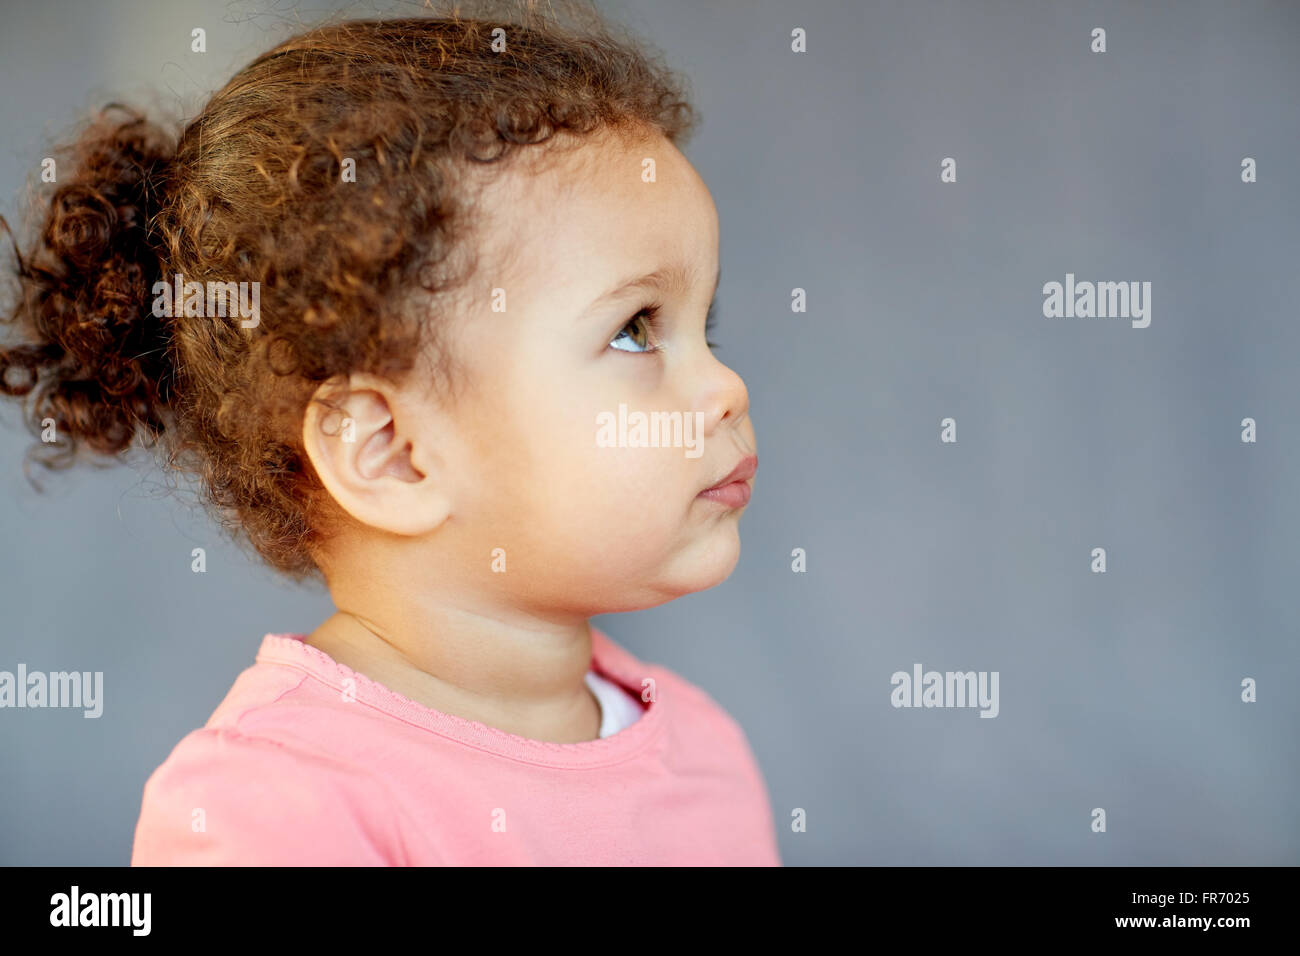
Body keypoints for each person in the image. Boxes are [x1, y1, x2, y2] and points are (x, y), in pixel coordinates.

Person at [0, 4, 777, 865]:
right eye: (635, 328)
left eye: (706, 328)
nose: (725, 388)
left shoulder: (704, 752)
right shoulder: (276, 811)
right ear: (392, 453)